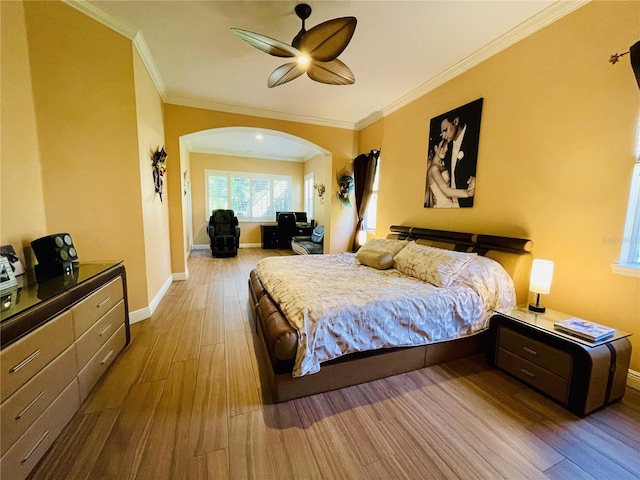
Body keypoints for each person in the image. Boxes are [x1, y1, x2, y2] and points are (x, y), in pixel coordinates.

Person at [439, 110, 480, 207]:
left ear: (456, 122)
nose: (444, 136)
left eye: (445, 130)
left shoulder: (474, 138)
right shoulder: (447, 150)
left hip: (469, 206)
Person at [426, 139, 475, 208]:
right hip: (443, 206)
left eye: (447, 146)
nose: (446, 149)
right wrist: (466, 193)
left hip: (452, 204)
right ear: (436, 148)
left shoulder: (444, 165)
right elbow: (446, 191)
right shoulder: (433, 169)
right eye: (443, 145)